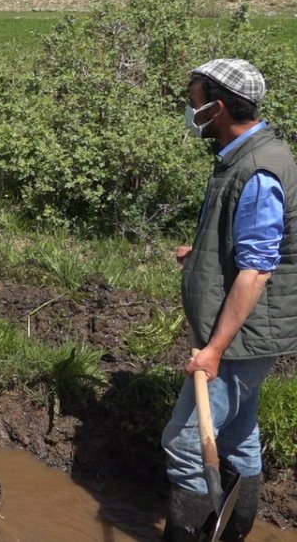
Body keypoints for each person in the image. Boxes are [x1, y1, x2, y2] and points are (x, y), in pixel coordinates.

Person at [161, 59, 296, 542]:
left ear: (217, 108)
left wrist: (214, 349)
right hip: (251, 332)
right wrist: (203, 255)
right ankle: (233, 534)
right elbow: (246, 244)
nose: (190, 110)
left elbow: (258, 268)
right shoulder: (244, 155)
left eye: (194, 102)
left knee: (184, 443)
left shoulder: (258, 168)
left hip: (241, 335)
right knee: (239, 436)